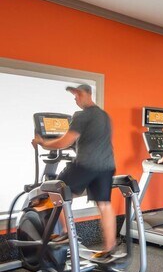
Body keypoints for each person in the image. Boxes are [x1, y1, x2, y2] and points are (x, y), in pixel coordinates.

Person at [31, 83, 117, 262]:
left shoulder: (83, 116)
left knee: (54, 190)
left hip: (85, 165)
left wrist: (43, 142)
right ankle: (110, 248)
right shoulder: (104, 115)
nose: (75, 100)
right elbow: (92, 140)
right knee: (104, 205)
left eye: (76, 96)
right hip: (107, 166)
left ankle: (64, 233)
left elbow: (63, 142)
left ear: (83, 94)